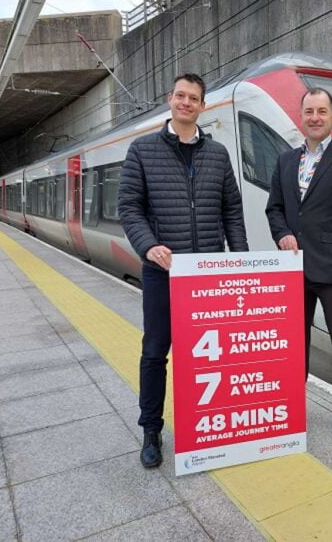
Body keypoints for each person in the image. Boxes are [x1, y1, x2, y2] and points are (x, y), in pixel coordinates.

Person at [119, 73, 248, 468]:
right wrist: (148, 245)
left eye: (194, 98)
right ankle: (151, 430)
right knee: (156, 352)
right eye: (180, 96)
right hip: (164, 272)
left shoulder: (219, 154)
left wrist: (239, 261)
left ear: (203, 105)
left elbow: (232, 212)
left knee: (210, 357)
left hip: (208, 274)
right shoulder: (142, 150)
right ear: (169, 99)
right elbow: (129, 207)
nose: (186, 102)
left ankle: (210, 426)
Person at [266, 88, 332, 445]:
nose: (314, 117)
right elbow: (274, 209)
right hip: (293, 266)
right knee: (295, 344)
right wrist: (281, 235)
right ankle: (293, 407)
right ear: (301, 116)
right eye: (309, 111)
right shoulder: (285, 160)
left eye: (321, 111)